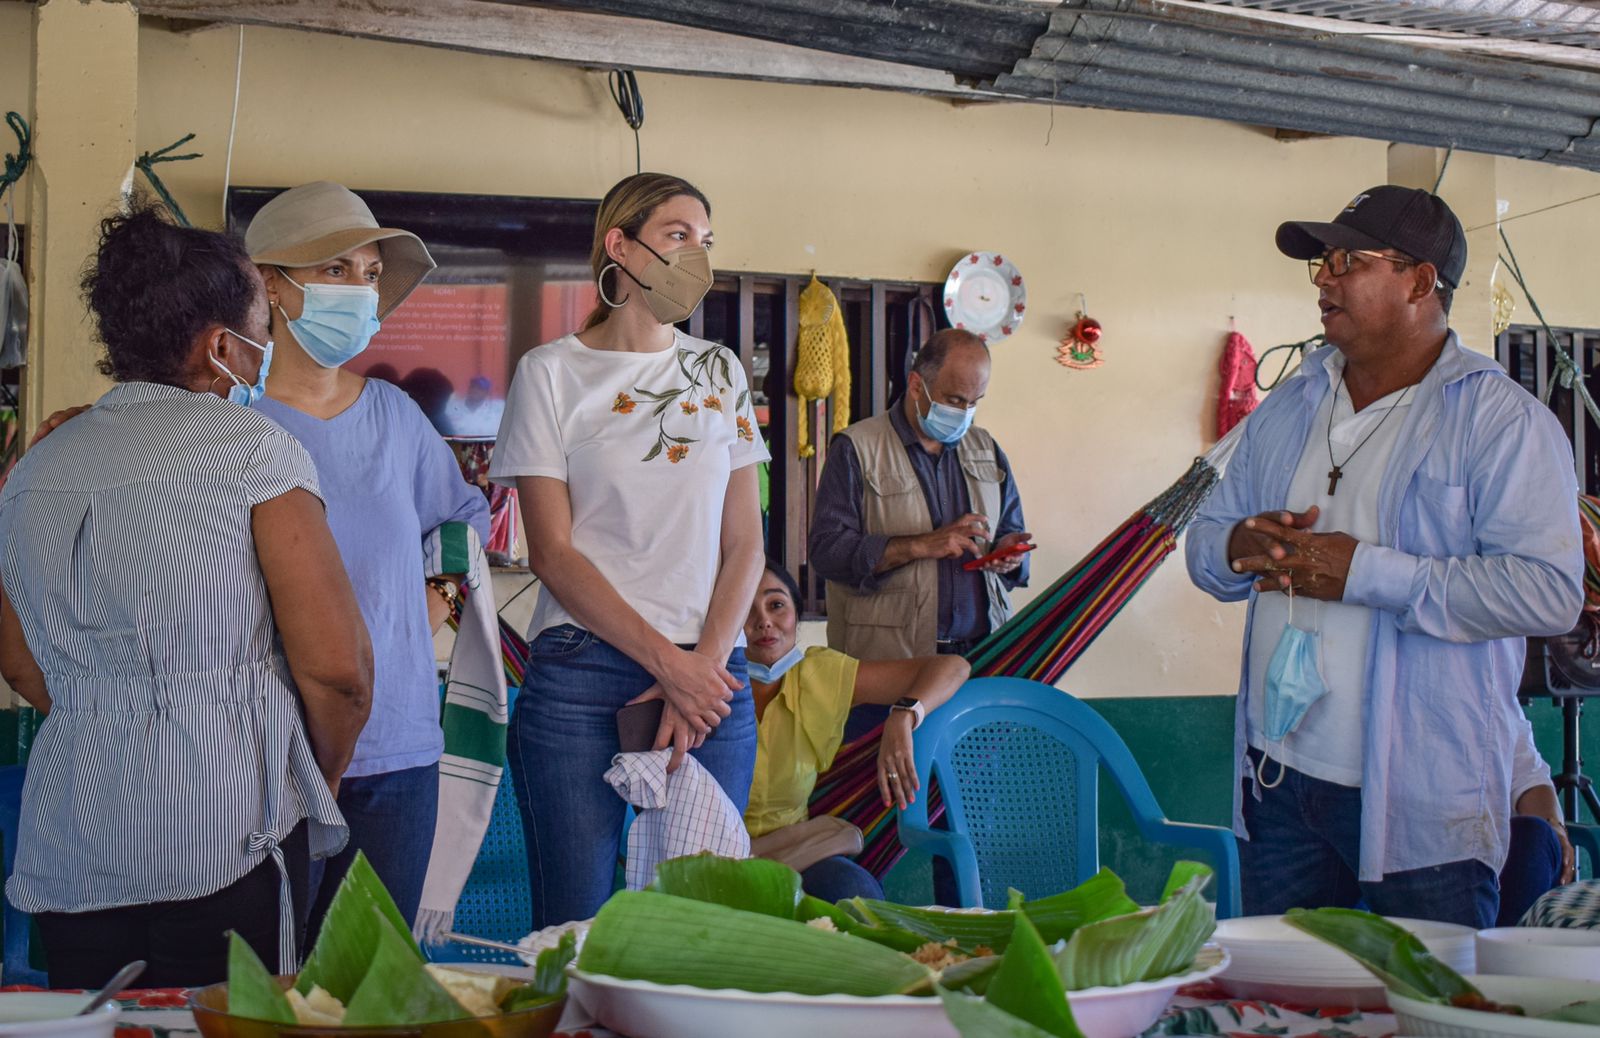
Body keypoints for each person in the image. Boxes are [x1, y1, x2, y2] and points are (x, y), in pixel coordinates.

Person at [1185, 184, 1584, 928]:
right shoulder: (1290, 405)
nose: (1325, 280)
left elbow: (1548, 593)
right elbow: (1205, 540)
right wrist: (1237, 547)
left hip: (1424, 794)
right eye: (1322, 264)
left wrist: (1364, 573)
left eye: (1346, 261)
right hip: (1279, 777)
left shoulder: (1502, 423)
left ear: (1420, 281)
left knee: (1426, 1004)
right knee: (1290, 1003)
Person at [0, 203, 372, 987]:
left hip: (72, 834)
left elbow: (24, 667)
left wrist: (115, 710)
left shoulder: (36, 467)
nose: (266, 350)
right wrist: (315, 776)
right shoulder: (255, 453)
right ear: (219, 346)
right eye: (261, 334)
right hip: (229, 831)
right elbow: (338, 672)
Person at [490, 172, 767, 927]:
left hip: (713, 676)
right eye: (679, 236)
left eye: (706, 242)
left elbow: (746, 541)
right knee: (575, 926)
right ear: (621, 245)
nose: (697, 258)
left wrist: (701, 667)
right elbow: (552, 551)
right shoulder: (549, 374)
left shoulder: (719, 371)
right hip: (585, 672)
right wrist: (669, 666)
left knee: (703, 927)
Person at [243, 182, 490, 932]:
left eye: (371, 274)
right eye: (335, 270)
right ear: (270, 285)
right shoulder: (227, 418)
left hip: (399, 747)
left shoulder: (394, 416)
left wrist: (437, 599)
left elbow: (464, 517)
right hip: (265, 754)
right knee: (267, 985)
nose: (360, 290)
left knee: (375, 986)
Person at [743, 561, 968, 901]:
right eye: (745, 608)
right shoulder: (704, 681)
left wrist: (904, 715)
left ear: (797, 616)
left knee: (858, 895)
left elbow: (953, 667)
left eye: (777, 605)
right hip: (706, 852)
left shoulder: (820, 675)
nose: (764, 622)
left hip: (793, 852)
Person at [809, 328, 1031, 666]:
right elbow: (827, 553)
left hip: (983, 657)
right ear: (916, 385)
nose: (965, 413)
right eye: (956, 400)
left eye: (974, 403)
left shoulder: (986, 448)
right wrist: (918, 545)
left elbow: (1009, 532)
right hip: (890, 663)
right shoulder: (857, 449)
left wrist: (1007, 554)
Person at [439, 374, 505, 438]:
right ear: (469, 388)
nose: (475, 390)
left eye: (479, 388)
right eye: (473, 387)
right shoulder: (453, 408)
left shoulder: (495, 410)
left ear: (486, 392)